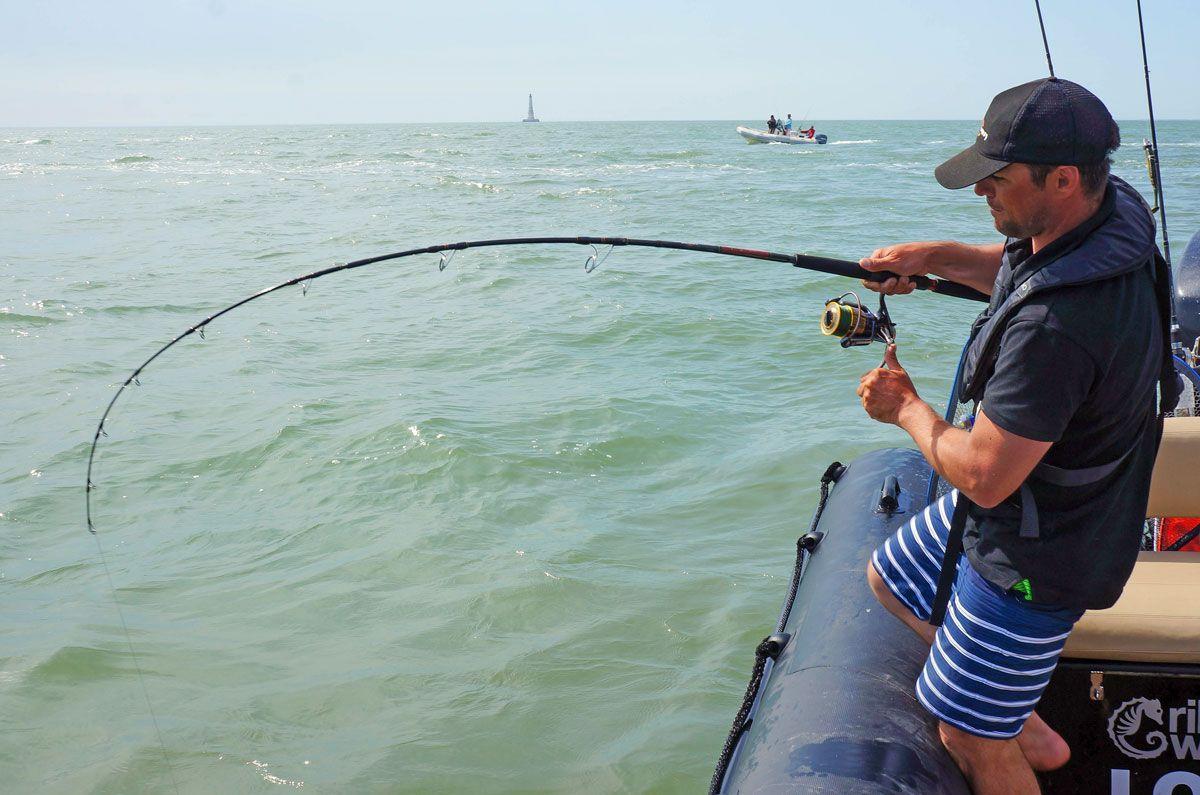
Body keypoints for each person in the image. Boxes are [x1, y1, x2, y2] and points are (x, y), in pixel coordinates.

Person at [855, 78, 1172, 793]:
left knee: (963, 732)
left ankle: (998, 730)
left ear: (1061, 179)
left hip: (1044, 546)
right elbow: (1023, 273)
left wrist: (904, 407)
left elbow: (985, 473)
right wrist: (933, 256)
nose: (981, 194)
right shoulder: (1110, 210)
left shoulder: (1056, 333)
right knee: (891, 576)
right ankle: (1022, 720)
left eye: (996, 180)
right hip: (1040, 506)